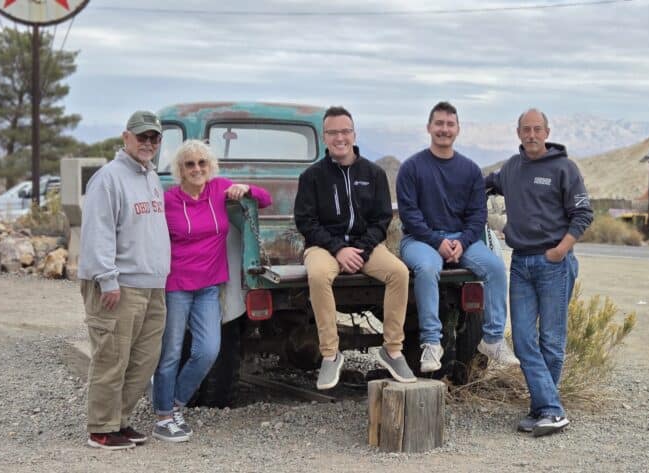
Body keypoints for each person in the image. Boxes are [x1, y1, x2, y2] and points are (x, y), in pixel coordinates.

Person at [152, 140, 272, 442]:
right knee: (171, 354)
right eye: (189, 164)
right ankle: (163, 416)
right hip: (176, 286)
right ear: (180, 170)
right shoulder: (168, 200)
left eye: (202, 163)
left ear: (210, 167)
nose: (197, 169)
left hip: (208, 287)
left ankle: (176, 403)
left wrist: (245, 189)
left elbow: (266, 199)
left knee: (207, 351)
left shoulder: (219, 189)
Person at [485, 109, 593, 437]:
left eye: (537, 129)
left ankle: (545, 408)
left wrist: (561, 250)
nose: (531, 135)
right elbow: (480, 185)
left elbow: (583, 213)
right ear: (518, 132)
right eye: (526, 129)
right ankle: (548, 408)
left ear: (547, 131)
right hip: (521, 263)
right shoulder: (511, 169)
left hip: (554, 263)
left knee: (551, 339)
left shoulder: (564, 168)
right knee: (522, 339)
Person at [294, 106, 417, 389]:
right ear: (324, 137)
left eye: (345, 131)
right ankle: (330, 354)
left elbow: (382, 218)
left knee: (399, 272)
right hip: (323, 248)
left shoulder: (373, 173)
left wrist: (360, 250)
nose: (340, 138)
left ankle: (392, 349)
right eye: (333, 132)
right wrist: (338, 249)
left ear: (354, 134)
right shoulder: (312, 177)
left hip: (366, 247)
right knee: (317, 275)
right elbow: (306, 221)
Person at [396, 101, 519, 373]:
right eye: (439, 124)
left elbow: (477, 216)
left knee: (496, 267)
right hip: (419, 241)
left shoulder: (470, 170)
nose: (444, 129)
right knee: (428, 268)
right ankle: (431, 342)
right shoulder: (411, 168)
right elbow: (410, 216)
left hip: (461, 240)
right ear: (429, 127)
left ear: (458, 129)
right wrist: (437, 243)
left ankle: (493, 339)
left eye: (449, 124)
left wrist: (461, 243)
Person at [77, 110, 171, 450]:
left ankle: (119, 421)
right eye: (141, 136)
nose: (147, 143)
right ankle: (101, 428)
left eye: (153, 138)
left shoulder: (151, 177)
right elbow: (98, 232)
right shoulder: (108, 178)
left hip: (151, 285)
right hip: (119, 284)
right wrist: (107, 278)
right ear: (125, 137)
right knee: (112, 356)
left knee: (143, 358)